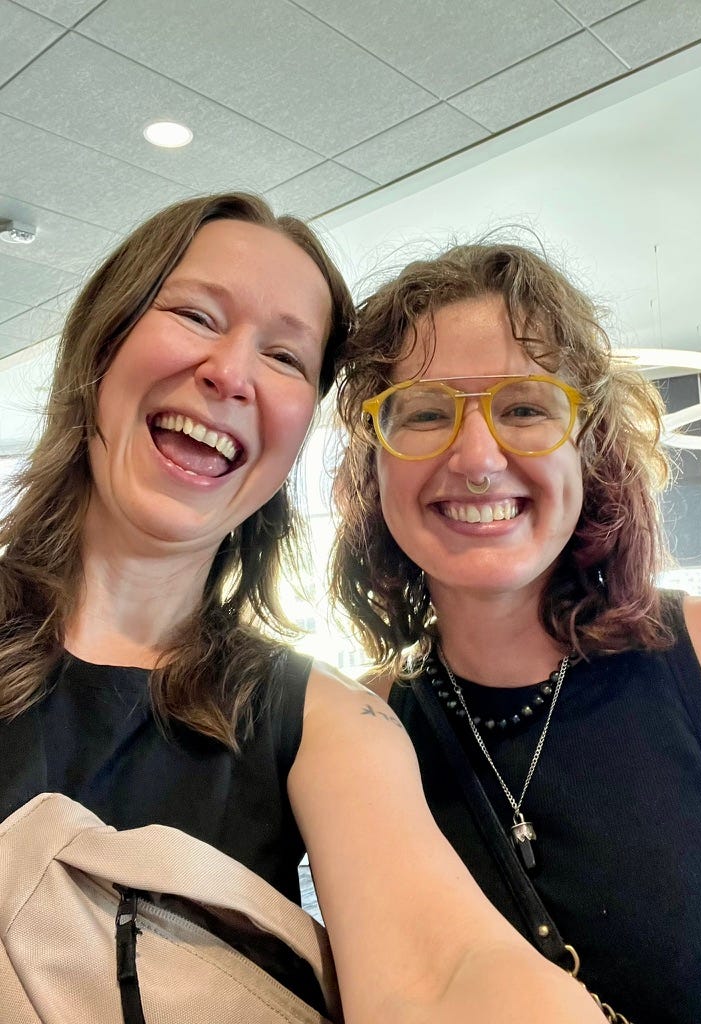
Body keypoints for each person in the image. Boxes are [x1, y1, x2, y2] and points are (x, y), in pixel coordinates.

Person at [0, 195, 605, 1024]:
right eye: (195, 315)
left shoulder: (326, 718)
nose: (231, 373)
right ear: (99, 346)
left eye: (285, 356)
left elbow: (443, 969)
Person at [330, 239, 701, 1024]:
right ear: (375, 466)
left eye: (525, 408)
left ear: (587, 446)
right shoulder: (354, 736)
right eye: (425, 413)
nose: (476, 458)